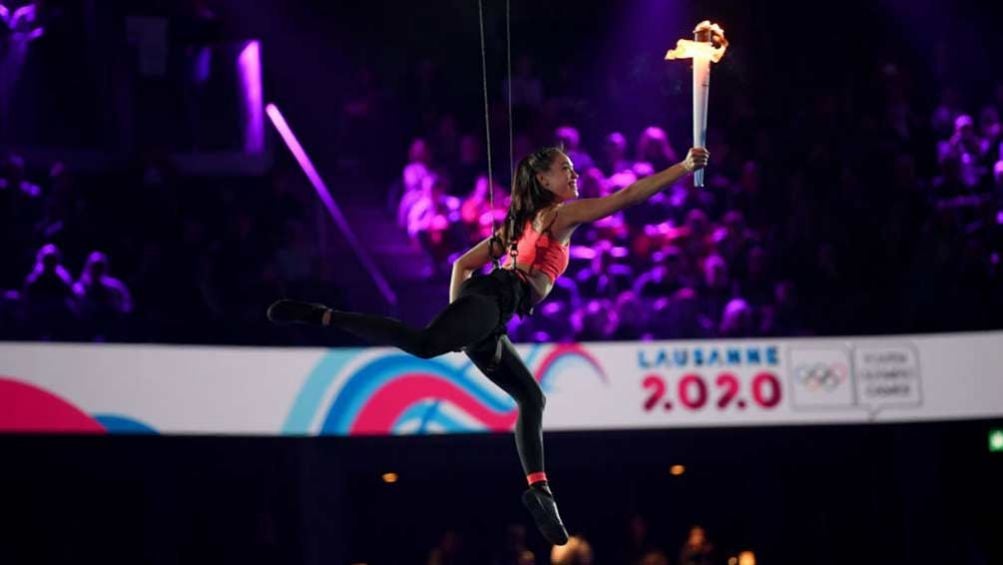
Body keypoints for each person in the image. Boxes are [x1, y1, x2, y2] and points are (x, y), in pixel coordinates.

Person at [267, 145, 710, 545]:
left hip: (491, 318)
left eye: (573, 169)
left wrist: (469, 326)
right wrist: (683, 167)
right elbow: (626, 197)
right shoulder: (558, 216)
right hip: (491, 301)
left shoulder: (522, 225)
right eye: (565, 168)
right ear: (542, 180)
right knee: (425, 345)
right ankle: (324, 315)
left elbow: (462, 263)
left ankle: (539, 491)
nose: (574, 175)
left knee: (531, 397)